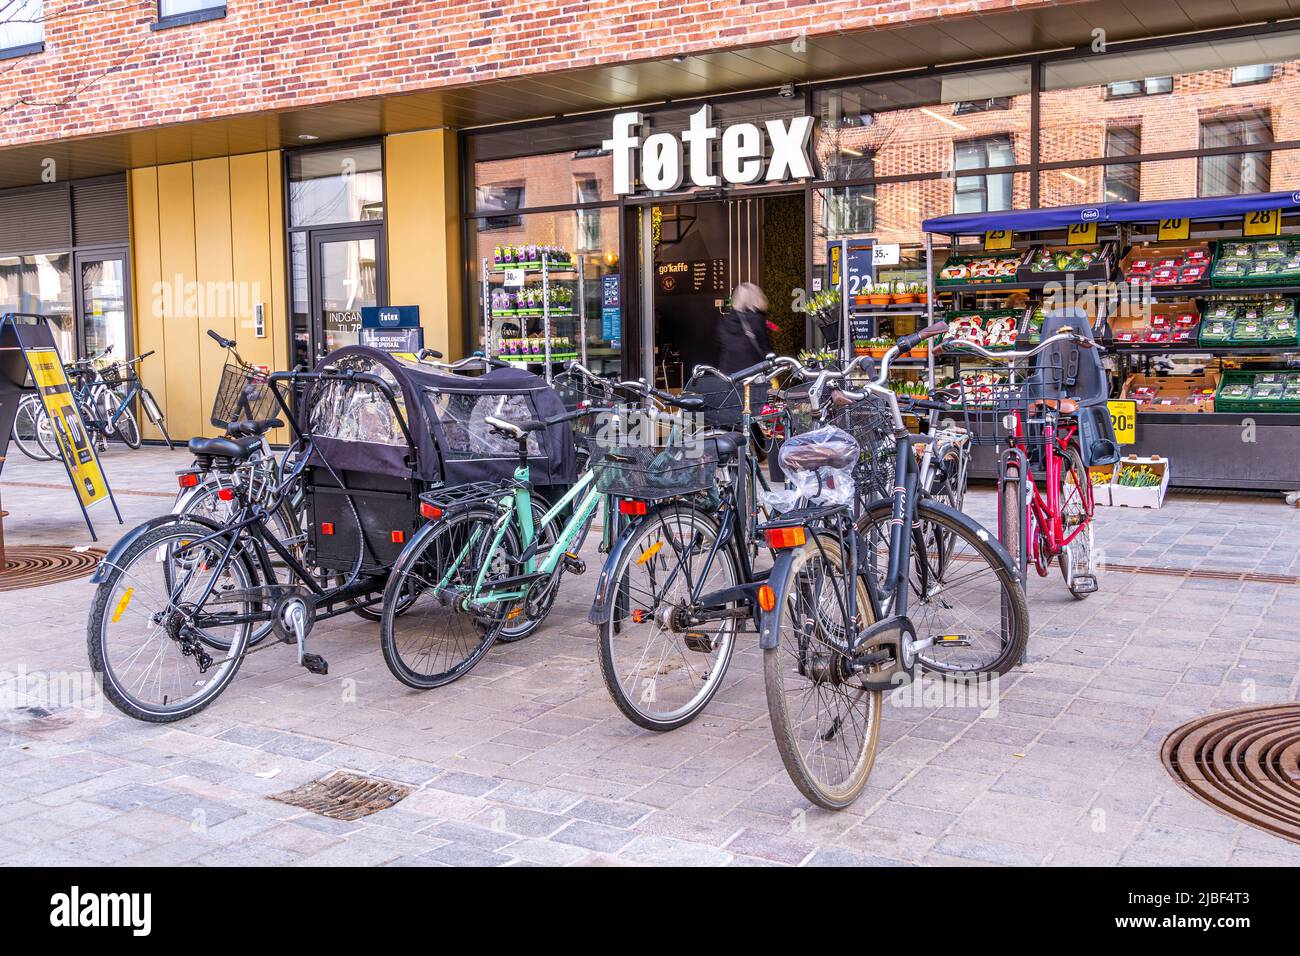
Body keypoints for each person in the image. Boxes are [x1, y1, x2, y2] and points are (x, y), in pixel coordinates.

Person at [717, 282, 773, 373]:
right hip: (753, 372)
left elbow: (719, 344)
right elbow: (765, 346)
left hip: (728, 372)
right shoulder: (757, 319)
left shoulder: (725, 319)